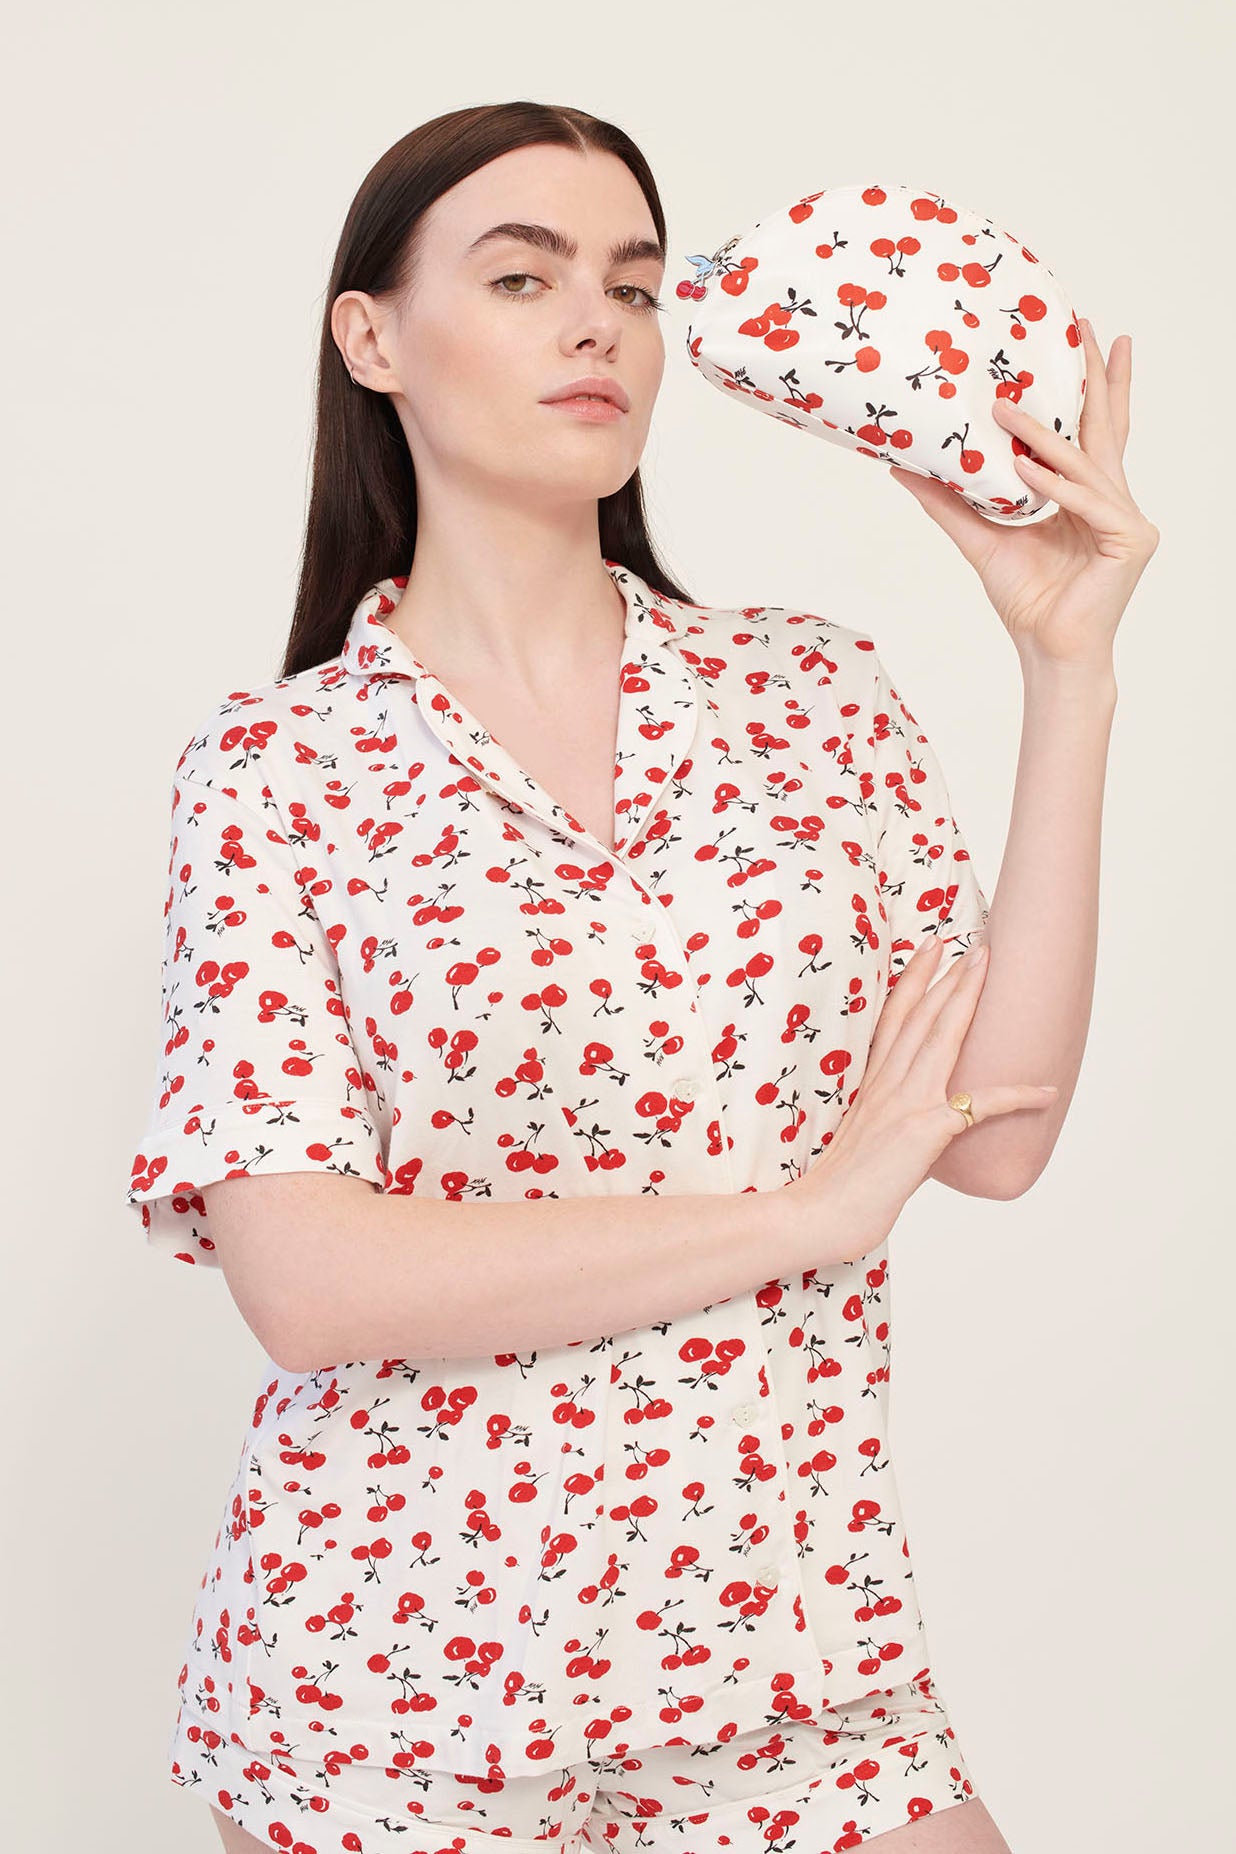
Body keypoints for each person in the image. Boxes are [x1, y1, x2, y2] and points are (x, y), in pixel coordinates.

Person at [125, 100, 1063, 1854]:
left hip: (798, 1667)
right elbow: (311, 1281)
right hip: (393, 1704)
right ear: (372, 335)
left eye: (634, 286)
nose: (597, 326)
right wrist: (800, 1214)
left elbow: (993, 1135)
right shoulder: (278, 770)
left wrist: (1065, 668)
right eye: (524, 272)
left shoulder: (813, 700)